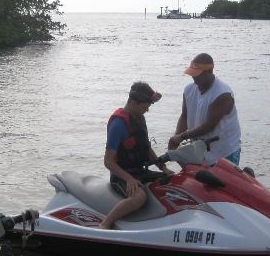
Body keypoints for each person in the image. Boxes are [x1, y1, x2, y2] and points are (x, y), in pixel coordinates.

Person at [99, 81, 174, 229]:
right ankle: (104, 225)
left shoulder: (139, 118)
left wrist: (163, 167)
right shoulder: (118, 125)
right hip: (121, 177)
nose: (146, 111)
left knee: (174, 182)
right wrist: (129, 179)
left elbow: (146, 147)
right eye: (144, 107)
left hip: (141, 171)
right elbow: (108, 161)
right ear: (133, 103)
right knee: (139, 197)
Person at [168, 53, 241, 166]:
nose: (193, 77)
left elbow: (209, 126)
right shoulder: (188, 90)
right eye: (192, 73)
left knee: (221, 183)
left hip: (225, 151)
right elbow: (184, 116)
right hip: (200, 150)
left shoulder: (222, 94)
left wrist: (182, 136)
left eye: (197, 74)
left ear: (209, 72)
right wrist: (176, 138)